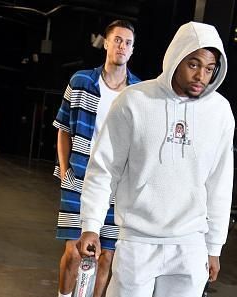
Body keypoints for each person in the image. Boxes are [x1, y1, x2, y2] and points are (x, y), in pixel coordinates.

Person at [78, 21, 235, 297]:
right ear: (176, 58)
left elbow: (220, 183)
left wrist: (214, 247)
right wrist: (91, 224)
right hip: (138, 240)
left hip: (190, 244)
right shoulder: (134, 101)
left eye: (209, 69)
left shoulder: (220, 112)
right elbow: (104, 169)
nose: (201, 76)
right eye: (193, 64)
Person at [53, 20, 140, 297]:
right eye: (117, 40)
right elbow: (63, 128)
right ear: (105, 42)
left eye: (127, 42)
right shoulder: (81, 81)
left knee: (106, 257)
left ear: (132, 49)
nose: (121, 46)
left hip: (117, 185)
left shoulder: (138, 93)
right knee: (74, 252)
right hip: (79, 178)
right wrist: (65, 168)